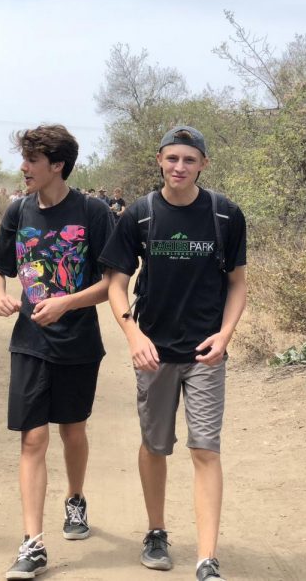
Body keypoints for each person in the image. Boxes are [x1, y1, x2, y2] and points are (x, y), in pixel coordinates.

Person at [100, 126, 247, 581]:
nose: (179, 167)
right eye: (172, 159)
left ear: (203, 163)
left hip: (205, 353)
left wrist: (225, 336)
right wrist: (134, 336)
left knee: (205, 449)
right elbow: (116, 283)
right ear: (159, 160)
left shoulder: (225, 215)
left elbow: (238, 282)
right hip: (155, 352)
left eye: (189, 159)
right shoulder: (140, 215)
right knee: (155, 445)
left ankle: (207, 557)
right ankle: (156, 532)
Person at [0, 124, 115, 580]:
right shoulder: (18, 211)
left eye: (31, 160)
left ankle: (75, 499)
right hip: (29, 343)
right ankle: (32, 542)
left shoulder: (94, 212)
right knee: (32, 438)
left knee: (72, 432)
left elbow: (112, 285)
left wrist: (67, 302)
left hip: (79, 343)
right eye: (23, 158)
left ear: (56, 165)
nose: (23, 168)